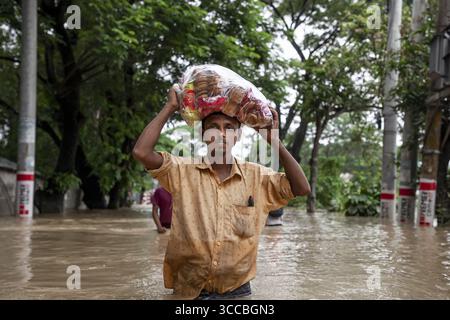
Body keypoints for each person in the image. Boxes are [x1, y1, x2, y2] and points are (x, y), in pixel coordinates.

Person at [132, 85, 310, 299]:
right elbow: (141, 152)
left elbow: (301, 188)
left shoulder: (257, 177)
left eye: (229, 127)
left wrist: (273, 140)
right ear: (204, 135)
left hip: (238, 292)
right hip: (188, 291)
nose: (222, 134)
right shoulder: (181, 171)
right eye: (214, 127)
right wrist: (170, 107)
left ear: (237, 135)